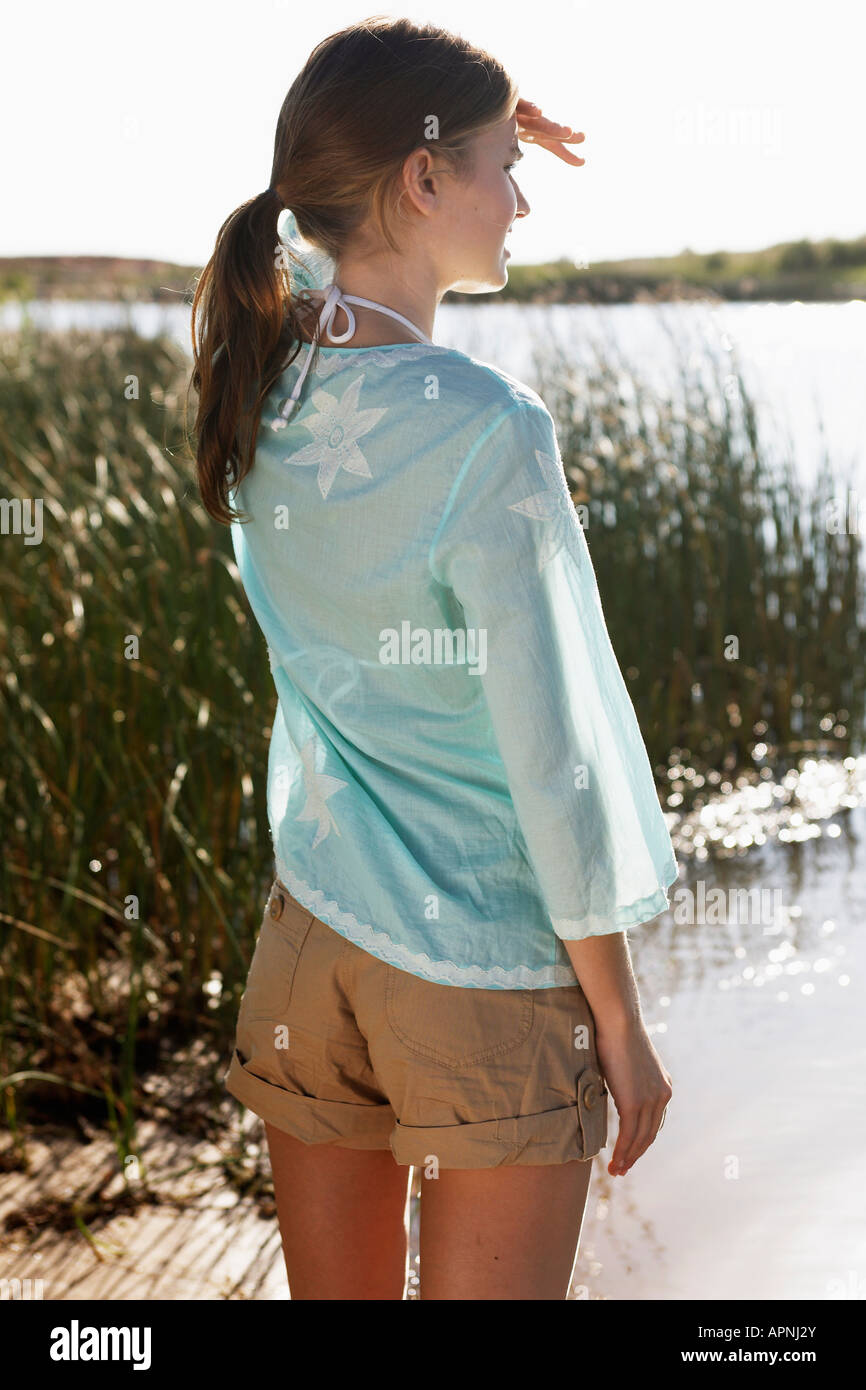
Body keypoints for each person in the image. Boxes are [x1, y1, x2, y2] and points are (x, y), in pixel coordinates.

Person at [190, 15, 677, 1301]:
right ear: (419, 179)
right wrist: (620, 1030)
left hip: (311, 936)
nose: (518, 197)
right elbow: (550, 751)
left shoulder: (256, 384)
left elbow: (339, 203)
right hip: (479, 971)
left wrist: (467, 117)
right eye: (498, 166)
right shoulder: (486, 430)